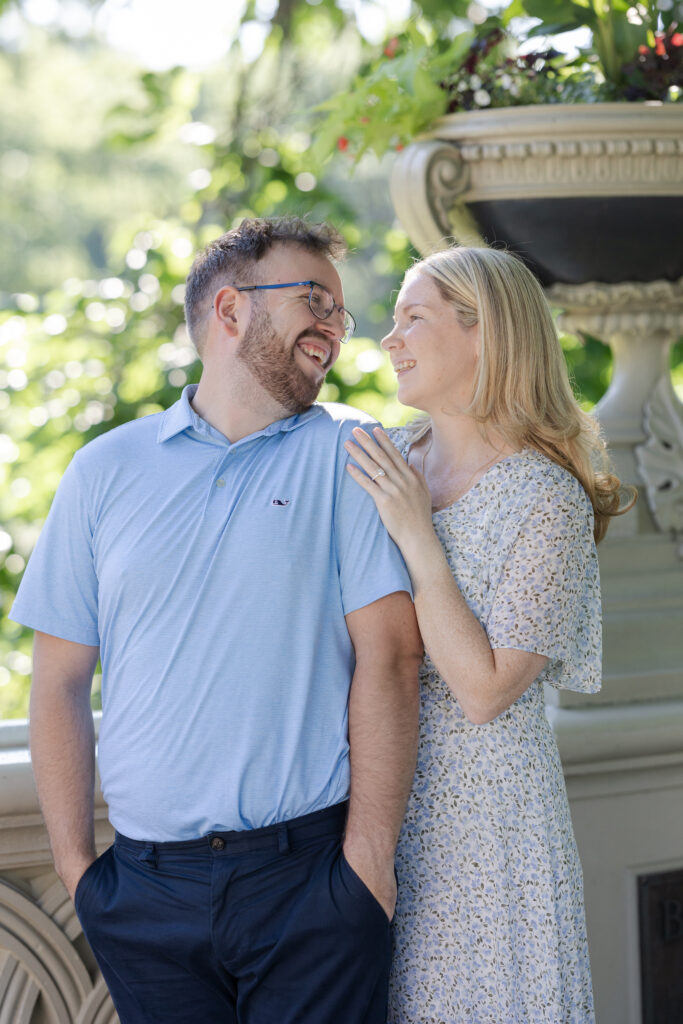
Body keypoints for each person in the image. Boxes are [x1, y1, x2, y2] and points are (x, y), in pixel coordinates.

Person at [10, 216, 422, 1024]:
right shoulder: (102, 471)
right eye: (314, 301)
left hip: (310, 882)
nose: (336, 328)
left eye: (339, 312)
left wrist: (367, 862)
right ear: (230, 311)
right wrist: (78, 869)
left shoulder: (351, 451)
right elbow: (58, 680)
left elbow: (391, 660)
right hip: (144, 893)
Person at [344, 245, 633, 1024]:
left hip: (489, 831)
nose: (388, 337)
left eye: (413, 317)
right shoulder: (387, 456)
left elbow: (483, 690)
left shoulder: (547, 498)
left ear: (485, 334)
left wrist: (417, 537)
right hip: (368, 807)